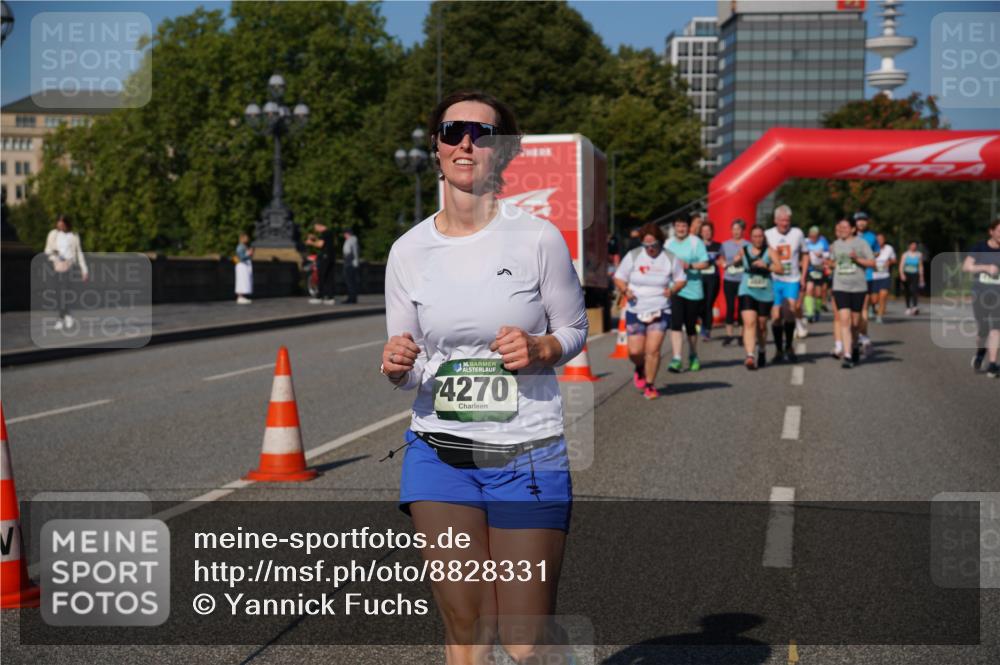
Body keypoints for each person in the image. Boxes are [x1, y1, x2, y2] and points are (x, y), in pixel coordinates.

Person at [381, 90, 587, 664]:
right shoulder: (408, 251)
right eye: (453, 131)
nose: (467, 142)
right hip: (437, 455)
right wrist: (397, 366)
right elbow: (411, 364)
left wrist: (542, 345)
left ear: (506, 153)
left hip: (526, 454)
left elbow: (574, 328)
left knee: (524, 638)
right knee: (466, 629)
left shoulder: (538, 238)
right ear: (436, 147)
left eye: (483, 133)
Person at [613, 222, 687, 399]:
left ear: (659, 242)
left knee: (653, 350)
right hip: (636, 308)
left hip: (660, 309)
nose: (650, 248)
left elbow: (681, 279)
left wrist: (672, 290)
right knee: (635, 352)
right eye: (646, 245)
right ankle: (640, 367)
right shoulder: (633, 256)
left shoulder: (670, 258)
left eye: (653, 245)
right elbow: (619, 278)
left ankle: (650, 384)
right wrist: (625, 290)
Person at [829, 217, 876, 369]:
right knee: (844, 320)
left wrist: (857, 259)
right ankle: (847, 354)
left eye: (845, 227)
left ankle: (855, 347)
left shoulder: (861, 243)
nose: (841, 230)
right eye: (840, 227)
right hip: (840, 286)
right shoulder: (835, 244)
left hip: (858, 287)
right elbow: (833, 263)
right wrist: (828, 264)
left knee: (855, 323)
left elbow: (872, 263)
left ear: (853, 229)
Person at [666, 216, 710, 372]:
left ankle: (693, 354)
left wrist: (689, 265)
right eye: (678, 225)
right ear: (674, 227)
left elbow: (705, 263)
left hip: (693, 289)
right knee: (676, 323)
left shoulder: (695, 242)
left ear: (688, 227)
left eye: (683, 225)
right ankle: (676, 357)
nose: (680, 229)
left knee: (691, 326)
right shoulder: (668, 243)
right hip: (676, 289)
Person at [765, 205, 808, 363]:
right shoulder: (767, 234)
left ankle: (789, 346)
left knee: (790, 312)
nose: (785, 223)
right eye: (782, 220)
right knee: (776, 316)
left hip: (792, 279)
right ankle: (778, 350)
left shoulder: (797, 233)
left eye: (787, 220)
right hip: (774, 280)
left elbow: (805, 254)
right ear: (775, 220)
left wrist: (803, 276)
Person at [739, 225, 784, 369]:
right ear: (750, 238)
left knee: (762, 325)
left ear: (763, 237)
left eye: (760, 236)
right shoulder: (744, 250)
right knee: (749, 322)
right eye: (755, 236)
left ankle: (762, 350)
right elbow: (735, 260)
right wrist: (729, 263)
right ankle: (750, 356)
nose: (757, 239)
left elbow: (780, 269)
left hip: (765, 291)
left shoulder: (770, 251)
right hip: (747, 290)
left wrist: (767, 266)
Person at [963, 219, 1000, 377]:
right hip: (981, 294)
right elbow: (966, 267)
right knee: (983, 331)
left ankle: (992, 364)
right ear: (991, 231)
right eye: (999, 230)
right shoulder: (979, 247)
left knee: (996, 329)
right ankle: (980, 353)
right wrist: (986, 267)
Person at [43, 214, 89, 331]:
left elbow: (79, 253)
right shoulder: (53, 234)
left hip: (69, 266)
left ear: (67, 224)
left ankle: (61, 318)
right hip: (56, 265)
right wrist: (56, 252)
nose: (60, 227)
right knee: (58, 293)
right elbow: (47, 250)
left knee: (65, 292)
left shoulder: (73, 236)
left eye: (62, 225)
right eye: (59, 224)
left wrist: (84, 270)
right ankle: (66, 316)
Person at [719, 219, 747, 346]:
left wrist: (741, 260)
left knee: (742, 307)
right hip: (729, 279)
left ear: (742, 230)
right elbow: (720, 260)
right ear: (731, 230)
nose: (736, 232)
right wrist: (725, 264)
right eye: (734, 229)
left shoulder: (747, 244)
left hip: (743, 279)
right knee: (730, 307)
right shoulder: (725, 245)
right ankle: (729, 335)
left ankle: (742, 335)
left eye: (739, 229)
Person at [854, 211, 879, 355]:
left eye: (864, 220)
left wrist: (866, 256)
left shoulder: (871, 237)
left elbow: (876, 252)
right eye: (859, 220)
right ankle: (856, 335)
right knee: (852, 311)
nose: (861, 223)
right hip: (849, 276)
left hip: (866, 276)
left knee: (863, 308)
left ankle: (864, 336)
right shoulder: (849, 235)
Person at [698, 220, 722, 341]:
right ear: (701, 233)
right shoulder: (697, 246)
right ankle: (703, 323)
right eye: (704, 231)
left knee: (709, 304)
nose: (707, 233)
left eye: (709, 231)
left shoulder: (718, 246)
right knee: (701, 304)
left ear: (712, 232)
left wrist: (721, 262)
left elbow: (722, 261)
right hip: (700, 278)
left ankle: (707, 329)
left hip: (713, 278)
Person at [803, 226, 830, 324]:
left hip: (820, 269)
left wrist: (822, 255)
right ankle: (809, 313)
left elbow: (828, 254)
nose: (812, 238)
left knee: (818, 293)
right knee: (809, 289)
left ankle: (817, 310)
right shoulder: (805, 242)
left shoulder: (823, 241)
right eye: (811, 236)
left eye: (815, 236)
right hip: (810, 269)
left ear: (818, 236)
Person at [305, 222, 336, 305]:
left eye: (315, 227)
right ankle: (330, 298)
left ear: (319, 225)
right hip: (331, 257)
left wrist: (311, 242)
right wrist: (315, 238)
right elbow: (324, 242)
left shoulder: (325, 233)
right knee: (329, 277)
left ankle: (320, 297)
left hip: (325, 257)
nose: (315, 229)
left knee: (321, 275)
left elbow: (321, 244)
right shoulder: (329, 233)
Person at [871, 232, 896, 323]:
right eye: (878, 239)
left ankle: (879, 316)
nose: (879, 241)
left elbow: (894, 259)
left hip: (885, 276)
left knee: (883, 296)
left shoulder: (889, 248)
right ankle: (872, 307)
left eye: (881, 239)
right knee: (874, 299)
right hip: (873, 277)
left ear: (884, 240)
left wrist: (889, 262)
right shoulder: (871, 248)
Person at [899, 241, 924, 316]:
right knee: (907, 291)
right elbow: (901, 265)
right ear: (909, 246)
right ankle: (908, 307)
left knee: (915, 290)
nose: (913, 246)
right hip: (907, 273)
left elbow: (920, 265)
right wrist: (902, 274)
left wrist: (921, 276)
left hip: (915, 273)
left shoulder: (919, 254)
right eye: (912, 245)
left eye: (915, 245)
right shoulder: (905, 254)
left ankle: (915, 307)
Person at [342, 227, 360, 304]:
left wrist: (347, 261)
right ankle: (352, 297)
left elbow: (349, 252)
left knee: (349, 281)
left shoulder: (350, 240)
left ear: (347, 233)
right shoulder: (354, 240)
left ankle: (351, 298)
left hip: (350, 262)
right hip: (353, 262)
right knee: (352, 281)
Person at [234, 232, 254, 305]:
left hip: (244, 265)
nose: (247, 239)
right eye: (246, 237)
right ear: (242, 238)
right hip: (242, 265)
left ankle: (242, 296)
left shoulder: (244, 246)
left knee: (244, 281)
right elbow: (241, 257)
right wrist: (249, 254)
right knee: (241, 281)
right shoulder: (240, 247)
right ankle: (240, 297)